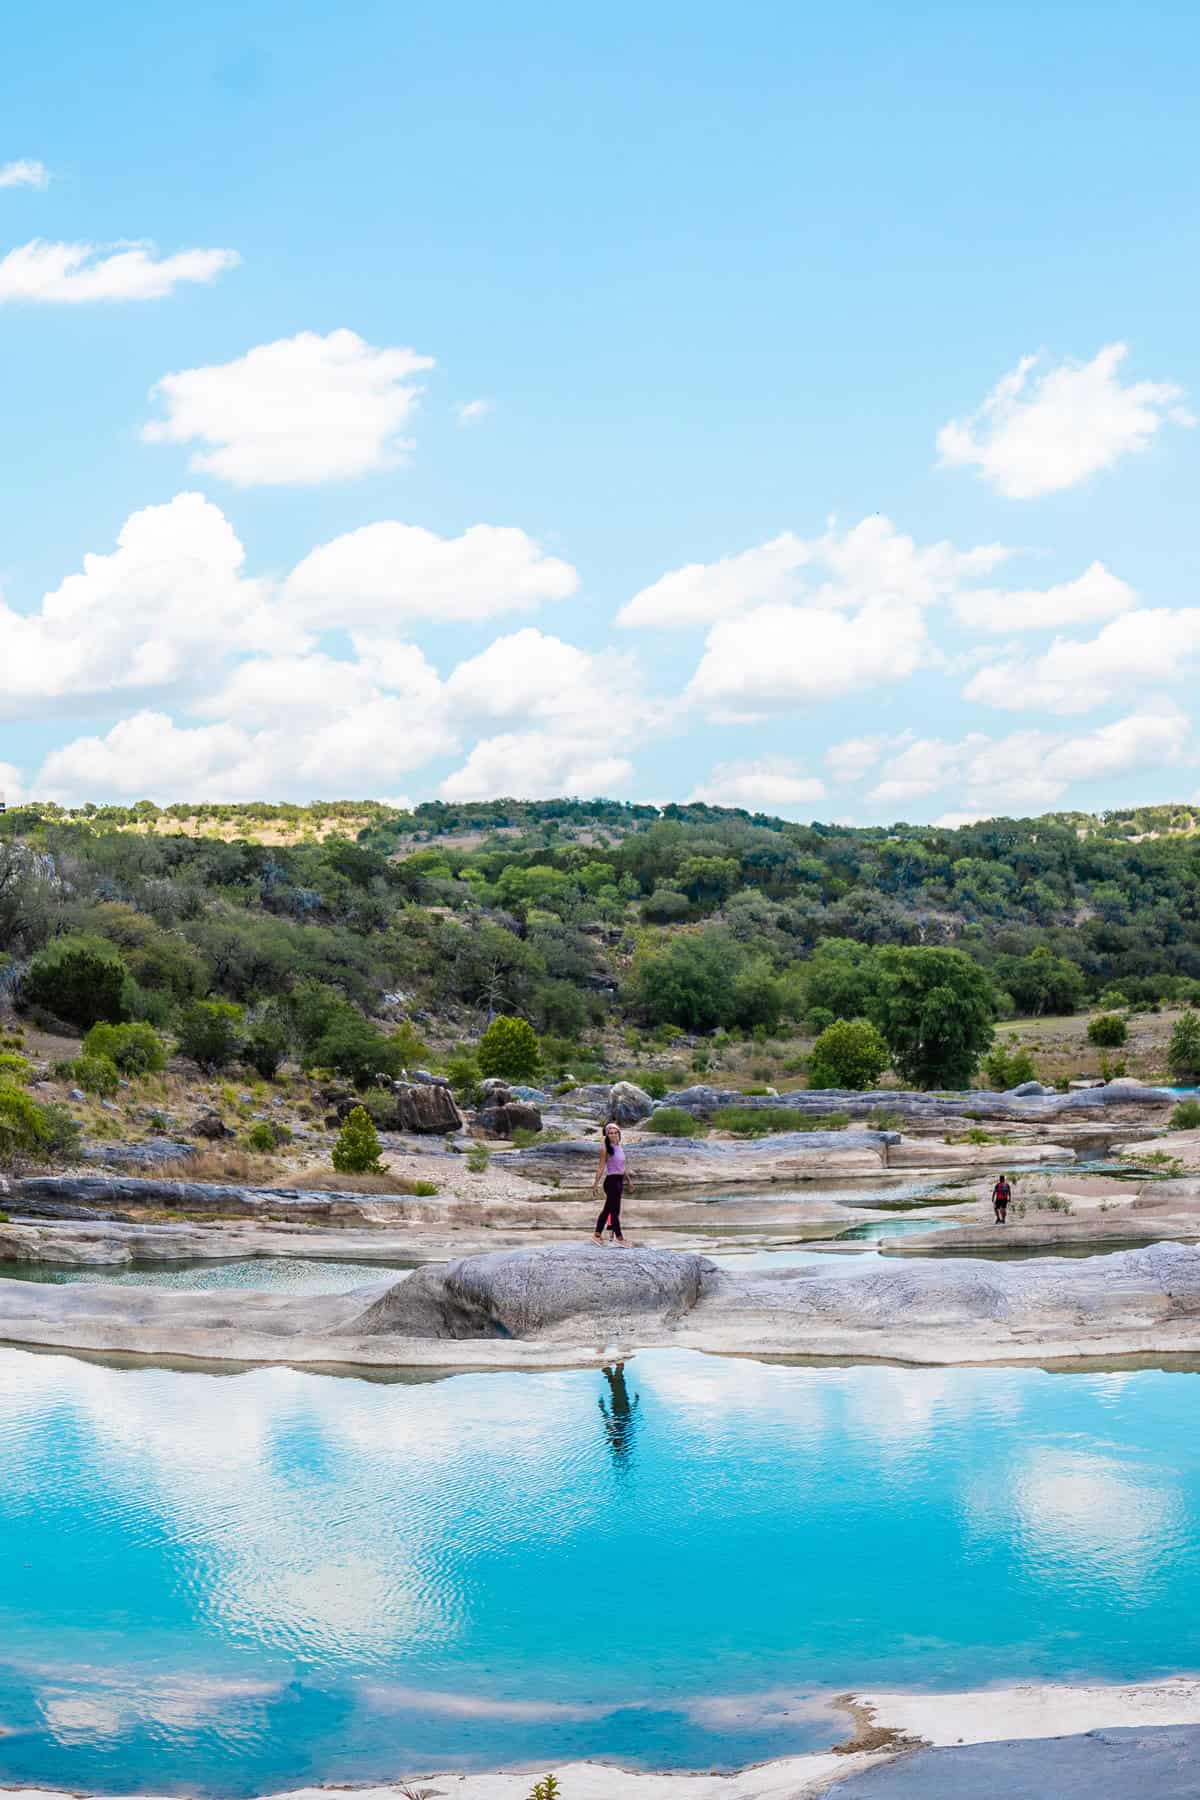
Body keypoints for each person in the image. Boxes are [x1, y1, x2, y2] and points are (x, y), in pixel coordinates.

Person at [592, 1121, 631, 1246]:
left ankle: (597, 1235)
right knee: (615, 1211)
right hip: (611, 1182)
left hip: (619, 1181)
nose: (613, 1135)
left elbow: (622, 1167)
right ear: (607, 1135)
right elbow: (601, 1168)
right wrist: (595, 1184)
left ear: (619, 1134)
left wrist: (629, 1181)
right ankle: (619, 1238)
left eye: (615, 1133)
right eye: (610, 1133)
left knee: (607, 1210)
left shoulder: (619, 1147)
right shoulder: (606, 1149)